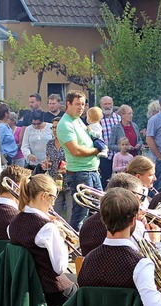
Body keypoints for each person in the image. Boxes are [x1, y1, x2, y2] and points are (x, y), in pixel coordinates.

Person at [8, 174, 76, 306]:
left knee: (73, 279)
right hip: (52, 291)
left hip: (27, 288)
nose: (53, 204)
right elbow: (60, 267)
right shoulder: (47, 228)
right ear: (44, 196)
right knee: (81, 287)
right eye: (53, 197)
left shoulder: (12, 224)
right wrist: (61, 237)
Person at [56, 90, 103, 231]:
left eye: (83, 104)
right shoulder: (65, 124)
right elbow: (75, 150)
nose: (81, 107)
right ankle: (75, 247)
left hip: (91, 172)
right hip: (80, 174)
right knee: (80, 215)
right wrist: (97, 151)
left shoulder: (78, 121)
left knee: (99, 211)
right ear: (68, 104)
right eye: (77, 104)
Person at [79, 173, 155, 257]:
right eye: (141, 197)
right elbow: (148, 262)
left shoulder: (87, 223)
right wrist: (154, 241)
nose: (141, 202)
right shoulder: (136, 227)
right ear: (132, 197)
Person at [39, 117, 71, 221]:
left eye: (56, 128)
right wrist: (46, 163)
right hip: (54, 183)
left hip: (69, 181)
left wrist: (67, 167)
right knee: (54, 214)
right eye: (52, 127)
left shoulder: (70, 143)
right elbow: (48, 160)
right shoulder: (49, 144)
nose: (54, 130)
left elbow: (75, 159)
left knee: (71, 215)